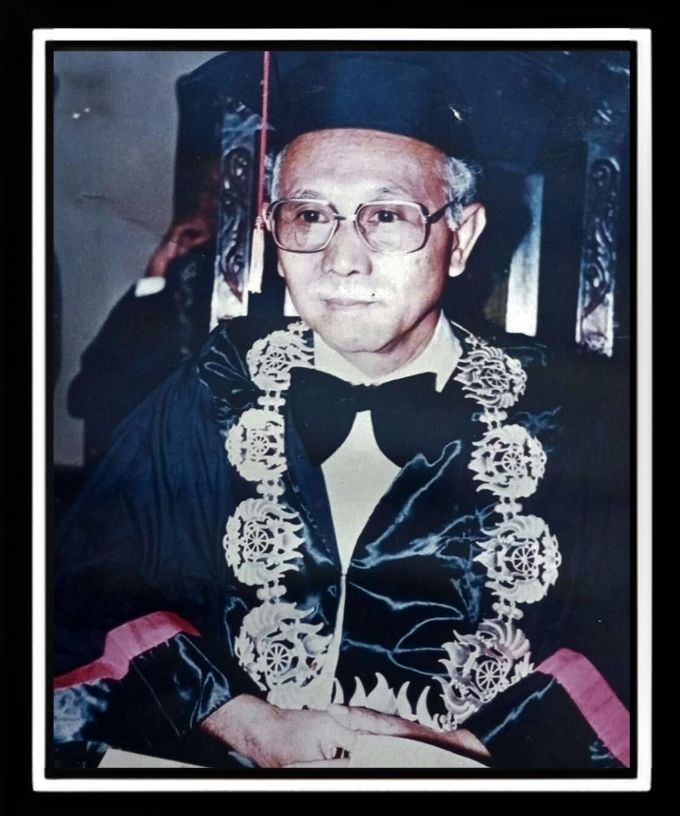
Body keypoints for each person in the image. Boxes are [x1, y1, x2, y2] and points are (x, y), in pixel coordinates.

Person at [53, 52, 629, 771]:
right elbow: (84, 589)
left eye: (386, 216)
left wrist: (465, 754)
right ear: (275, 237)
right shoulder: (211, 395)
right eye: (309, 216)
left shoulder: (579, 415)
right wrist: (249, 727)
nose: (342, 260)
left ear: (462, 238)